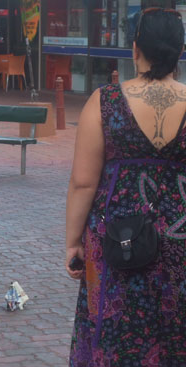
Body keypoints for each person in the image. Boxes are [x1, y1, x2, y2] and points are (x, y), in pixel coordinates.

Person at [65, 8, 186, 366]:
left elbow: (83, 182)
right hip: (181, 237)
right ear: (180, 50)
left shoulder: (105, 102)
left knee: (114, 329)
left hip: (119, 241)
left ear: (135, 50)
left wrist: (73, 242)